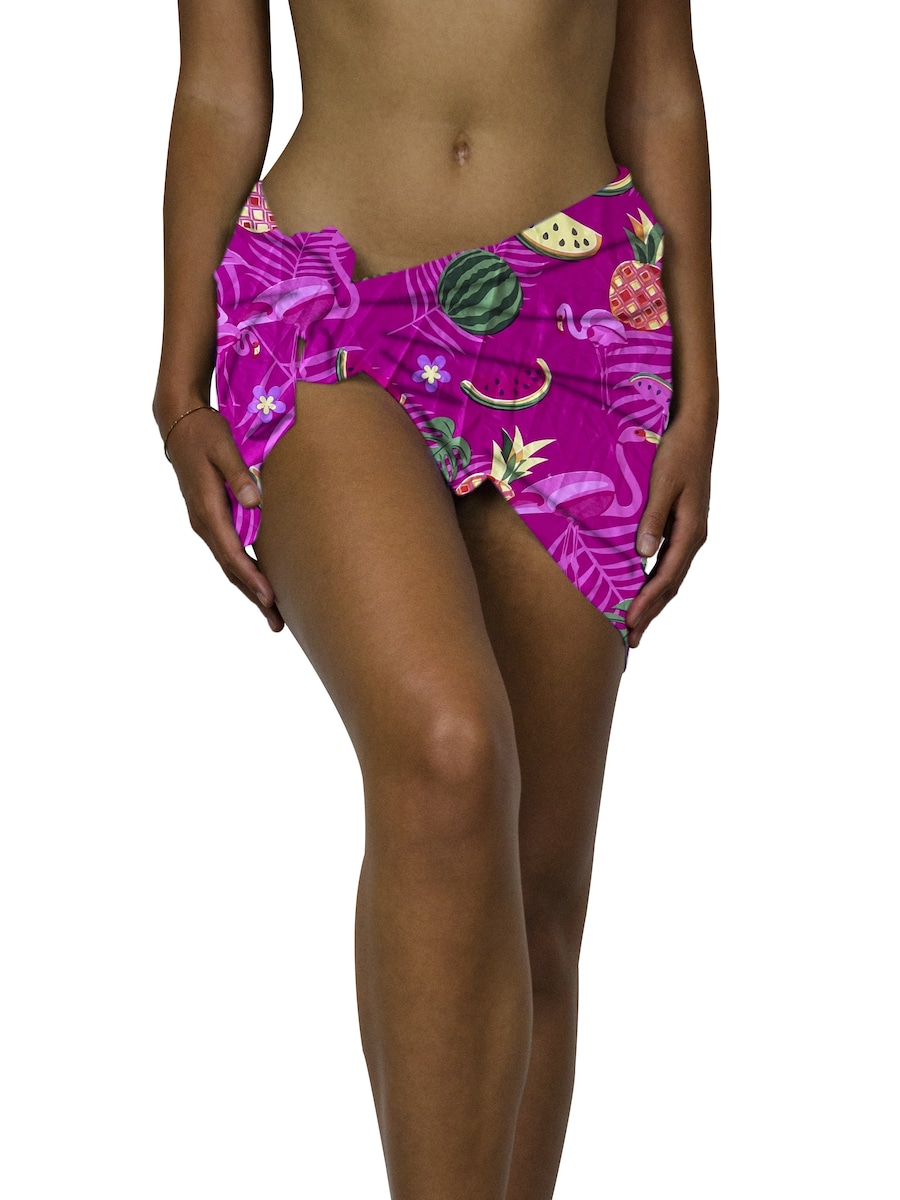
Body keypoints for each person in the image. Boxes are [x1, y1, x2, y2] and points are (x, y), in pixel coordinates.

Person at [151, 1, 717, 1195]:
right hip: (325, 300)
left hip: (583, 304)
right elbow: (219, 88)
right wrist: (179, 379)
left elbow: (658, 84)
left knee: (537, 892)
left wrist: (701, 388)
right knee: (449, 752)